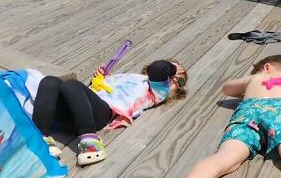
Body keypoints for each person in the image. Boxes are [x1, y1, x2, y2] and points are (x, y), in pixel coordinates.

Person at [32, 60, 187, 166]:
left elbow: (158, 68)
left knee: (71, 85)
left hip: (101, 113)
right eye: (172, 75)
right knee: (50, 81)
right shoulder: (133, 77)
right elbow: (99, 91)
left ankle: (91, 142)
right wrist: (100, 80)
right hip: (75, 111)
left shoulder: (159, 90)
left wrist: (172, 69)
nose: (174, 79)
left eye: (179, 81)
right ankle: (37, 137)